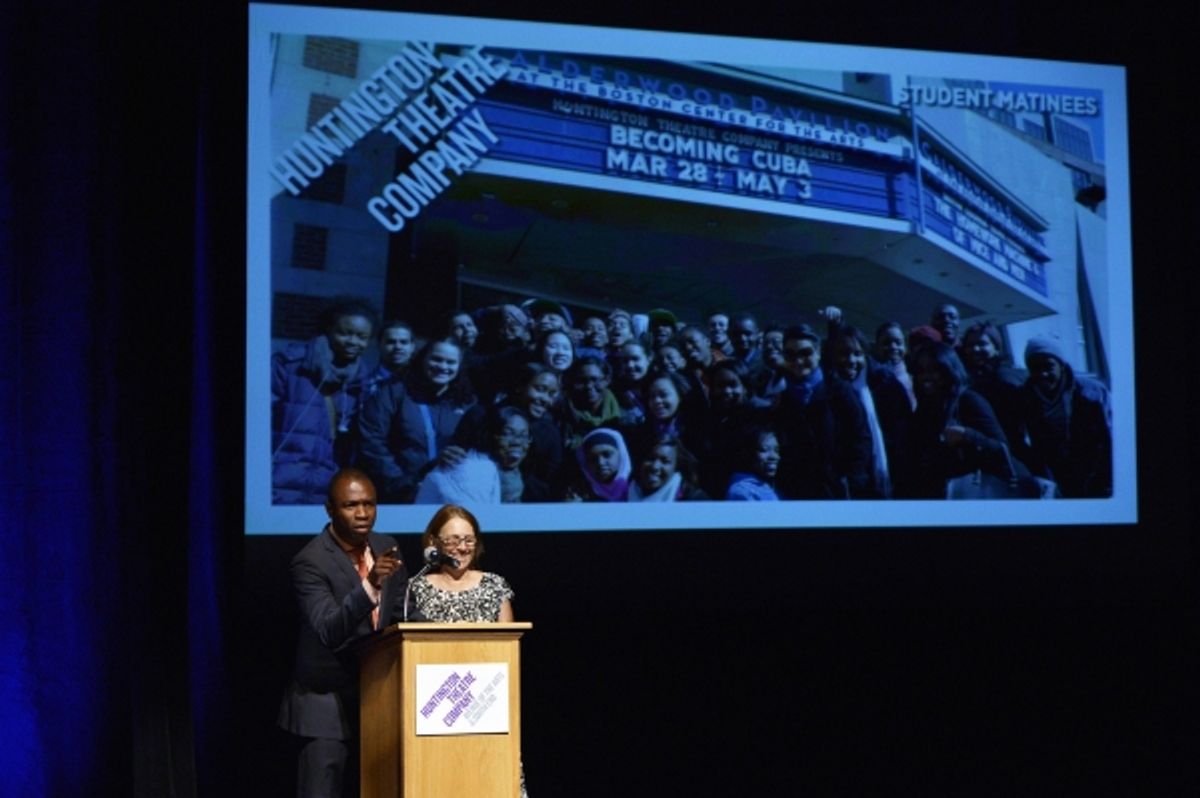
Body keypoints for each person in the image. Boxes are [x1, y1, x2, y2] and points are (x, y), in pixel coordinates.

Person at [278, 469, 415, 798]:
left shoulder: (386, 546)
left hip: (378, 700)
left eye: (369, 504)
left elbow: (401, 614)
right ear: (330, 509)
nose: (363, 513)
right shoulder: (309, 562)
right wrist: (370, 586)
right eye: (351, 505)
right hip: (324, 704)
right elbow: (329, 628)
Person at [407, 505, 528, 797]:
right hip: (435, 715)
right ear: (434, 543)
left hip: (488, 711)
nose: (461, 548)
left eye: (468, 540)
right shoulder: (415, 588)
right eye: (452, 540)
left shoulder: (495, 586)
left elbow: (510, 653)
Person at [272, 297, 377, 504]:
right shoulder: (290, 365)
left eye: (362, 337)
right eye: (345, 333)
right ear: (328, 330)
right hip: (277, 484)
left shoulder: (362, 382)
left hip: (325, 490)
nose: (353, 342)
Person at [358, 338, 477, 503]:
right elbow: (372, 441)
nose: (443, 367)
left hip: (447, 495)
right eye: (436, 359)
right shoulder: (394, 392)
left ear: (459, 366)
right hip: (398, 494)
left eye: (451, 362)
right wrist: (403, 485)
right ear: (423, 359)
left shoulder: (465, 402)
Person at [901, 341, 1013, 498]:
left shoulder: (968, 401)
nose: (926, 376)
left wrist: (968, 435)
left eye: (934, 369)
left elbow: (1002, 451)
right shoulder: (922, 412)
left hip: (974, 498)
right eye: (920, 370)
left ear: (948, 370)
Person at [1021, 335, 1112, 497]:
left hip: (1097, 476)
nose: (1042, 374)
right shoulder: (1026, 398)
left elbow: (1111, 439)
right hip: (1058, 478)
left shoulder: (1092, 393)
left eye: (1048, 367)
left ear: (1061, 365)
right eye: (1035, 367)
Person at [627, 435, 708, 501]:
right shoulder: (625, 494)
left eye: (665, 461)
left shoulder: (694, 499)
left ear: (676, 467)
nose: (655, 466)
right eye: (650, 458)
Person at [565, 427, 632, 501]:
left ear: (621, 454)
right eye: (592, 459)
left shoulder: (638, 486)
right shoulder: (579, 492)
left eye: (606, 455)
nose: (600, 463)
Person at [725, 426, 782, 501]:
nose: (773, 456)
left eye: (776, 450)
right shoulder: (741, 492)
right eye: (764, 450)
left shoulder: (767, 486)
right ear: (747, 454)